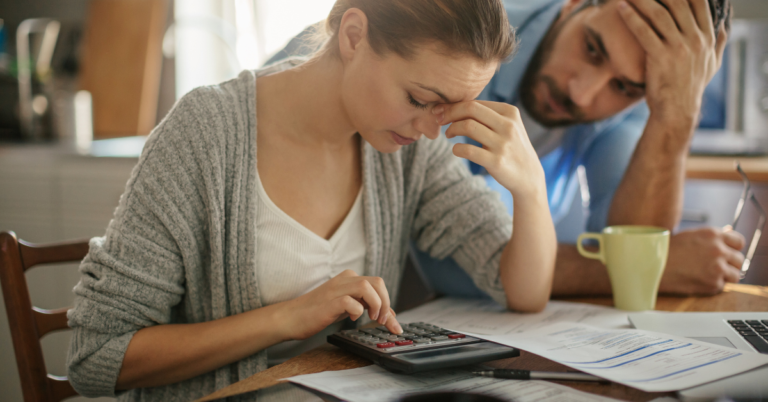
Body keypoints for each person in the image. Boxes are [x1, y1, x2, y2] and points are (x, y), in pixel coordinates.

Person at [66, 1, 557, 401]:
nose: (433, 129)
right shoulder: (205, 134)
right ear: (353, 36)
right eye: (418, 98)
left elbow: (523, 291)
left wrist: (530, 188)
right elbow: (96, 356)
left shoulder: (403, 151)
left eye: (450, 109)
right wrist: (286, 317)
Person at [408, 0, 747, 298]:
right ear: (573, 3)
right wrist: (647, 269)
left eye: (624, 87)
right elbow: (448, 261)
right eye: (592, 49)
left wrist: (677, 114)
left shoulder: (636, 102)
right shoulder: (466, 42)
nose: (582, 94)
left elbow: (629, 240)